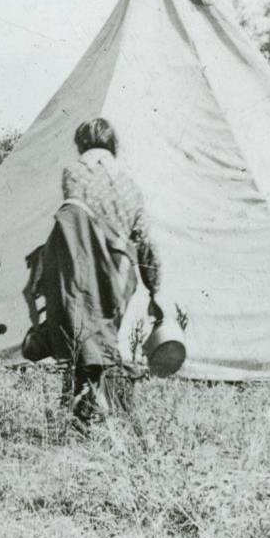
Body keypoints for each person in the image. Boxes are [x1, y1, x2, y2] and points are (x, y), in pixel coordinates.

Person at [26, 117, 160, 426]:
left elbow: (74, 221)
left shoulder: (74, 172)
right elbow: (145, 242)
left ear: (81, 143)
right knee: (105, 336)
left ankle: (84, 414)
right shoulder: (130, 185)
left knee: (82, 339)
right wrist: (154, 288)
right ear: (114, 145)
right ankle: (106, 414)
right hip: (119, 273)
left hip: (83, 268)